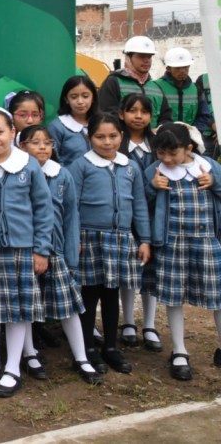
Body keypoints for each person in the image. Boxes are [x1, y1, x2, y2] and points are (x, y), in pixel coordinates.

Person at [0, 109, 53, 398]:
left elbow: (43, 209)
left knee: (18, 311)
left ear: (12, 132)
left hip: (21, 249)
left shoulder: (28, 165)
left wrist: (41, 249)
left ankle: (13, 367)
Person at [18, 125, 102, 385]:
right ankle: (29, 352)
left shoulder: (62, 175)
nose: (42, 147)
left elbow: (70, 215)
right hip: (22, 250)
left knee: (68, 306)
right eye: (35, 142)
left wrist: (71, 249)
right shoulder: (17, 172)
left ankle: (81, 358)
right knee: (25, 306)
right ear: (22, 147)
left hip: (54, 251)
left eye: (47, 142)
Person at [69, 112, 151, 375]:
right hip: (90, 239)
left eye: (113, 136)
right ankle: (87, 348)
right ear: (89, 137)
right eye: (100, 137)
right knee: (89, 294)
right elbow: (71, 206)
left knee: (112, 293)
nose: (107, 142)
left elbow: (139, 204)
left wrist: (145, 240)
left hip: (120, 238)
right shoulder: (80, 166)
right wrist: (76, 237)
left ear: (122, 136)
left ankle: (111, 347)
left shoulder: (130, 167)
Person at [144, 123, 221, 380]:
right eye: (161, 153)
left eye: (172, 153)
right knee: (173, 297)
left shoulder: (209, 167)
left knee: (217, 296)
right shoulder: (155, 172)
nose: (167, 159)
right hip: (172, 243)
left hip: (207, 242)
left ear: (188, 148)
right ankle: (179, 350)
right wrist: (152, 186)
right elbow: (144, 203)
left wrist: (215, 182)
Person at [117, 92, 161, 351]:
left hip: (153, 217)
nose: (138, 116)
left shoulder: (157, 146)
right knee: (129, 271)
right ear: (121, 114)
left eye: (144, 112)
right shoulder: (117, 144)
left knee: (151, 271)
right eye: (132, 110)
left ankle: (150, 323)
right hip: (125, 217)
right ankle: (129, 321)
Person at [99, 35, 173, 127]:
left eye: (149, 57)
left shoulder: (156, 87)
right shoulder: (113, 83)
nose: (147, 61)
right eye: (141, 56)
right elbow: (107, 115)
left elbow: (166, 117)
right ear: (129, 58)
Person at [48, 75, 98, 168]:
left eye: (85, 96)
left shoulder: (101, 123)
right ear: (66, 99)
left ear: (93, 98)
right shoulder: (57, 126)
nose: (80, 101)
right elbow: (53, 160)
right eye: (74, 97)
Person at [155, 47, 198, 126]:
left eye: (185, 67)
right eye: (178, 68)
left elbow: (203, 115)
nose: (182, 71)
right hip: (164, 134)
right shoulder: (156, 86)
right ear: (168, 68)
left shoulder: (195, 89)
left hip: (189, 135)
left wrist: (193, 131)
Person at [195, 73, 217, 159]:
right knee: (204, 166)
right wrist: (214, 124)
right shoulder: (203, 79)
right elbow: (201, 107)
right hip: (207, 136)